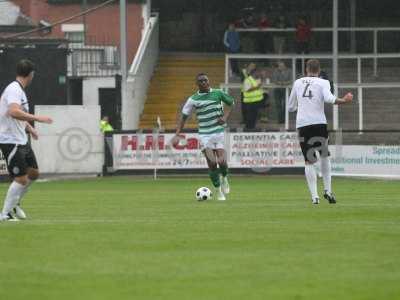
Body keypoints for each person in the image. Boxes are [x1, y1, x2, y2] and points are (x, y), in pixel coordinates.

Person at [288, 59, 353, 204]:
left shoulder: (298, 83)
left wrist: (302, 107)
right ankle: (328, 191)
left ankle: (314, 197)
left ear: (306, 69)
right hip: (319, 123)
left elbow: (290, 107)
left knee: (309, 161)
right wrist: (344, 100)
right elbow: (330, 99)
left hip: (303, 124)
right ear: (319, 70)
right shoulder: (324, 82)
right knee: (324, 155)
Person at [0, 59, 53, 221]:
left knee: (34, 173)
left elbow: (18, 116)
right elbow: (14, 112)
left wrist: (30, 129)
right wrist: (38, 118)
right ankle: (5, 214)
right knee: (21, 179)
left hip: (21, 139)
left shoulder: (19, 90)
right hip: (10, 140)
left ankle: (15, 203)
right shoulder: (14, 89)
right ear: (31, 75)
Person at [172, 73, 234, 201]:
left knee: (222, 161)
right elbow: (184, 116)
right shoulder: (193, 99)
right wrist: (177, 133)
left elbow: (231, 103)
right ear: (197, 84)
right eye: (201, 81)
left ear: (209, 81)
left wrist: (225, 117)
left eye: (206, 80)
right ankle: (219, 191)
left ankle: (225, 178)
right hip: (205, 134)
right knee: (212, 162)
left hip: (219, 132)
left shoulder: (218, 93)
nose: (204, 82)